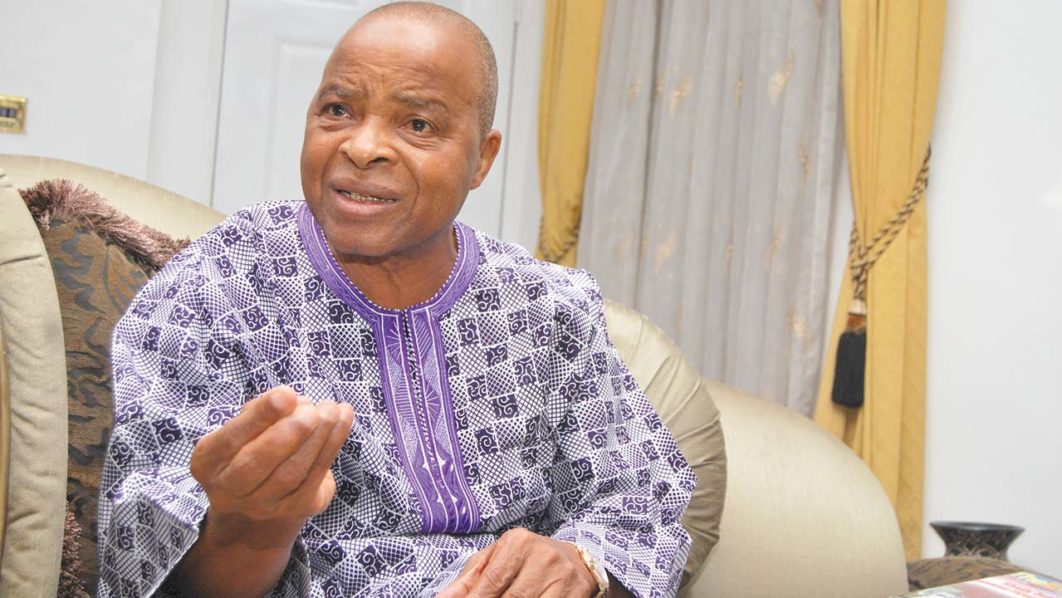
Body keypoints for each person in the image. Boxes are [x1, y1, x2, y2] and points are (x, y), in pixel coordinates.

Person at [96, 2, 696, 596]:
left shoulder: (549, 307)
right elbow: (152, 565)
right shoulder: (219, 284)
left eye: (417, 125)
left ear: (482, 159)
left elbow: (642, 504)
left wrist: (580, 564)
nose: (362, 147)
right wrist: (251, 525)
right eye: (338, 110)